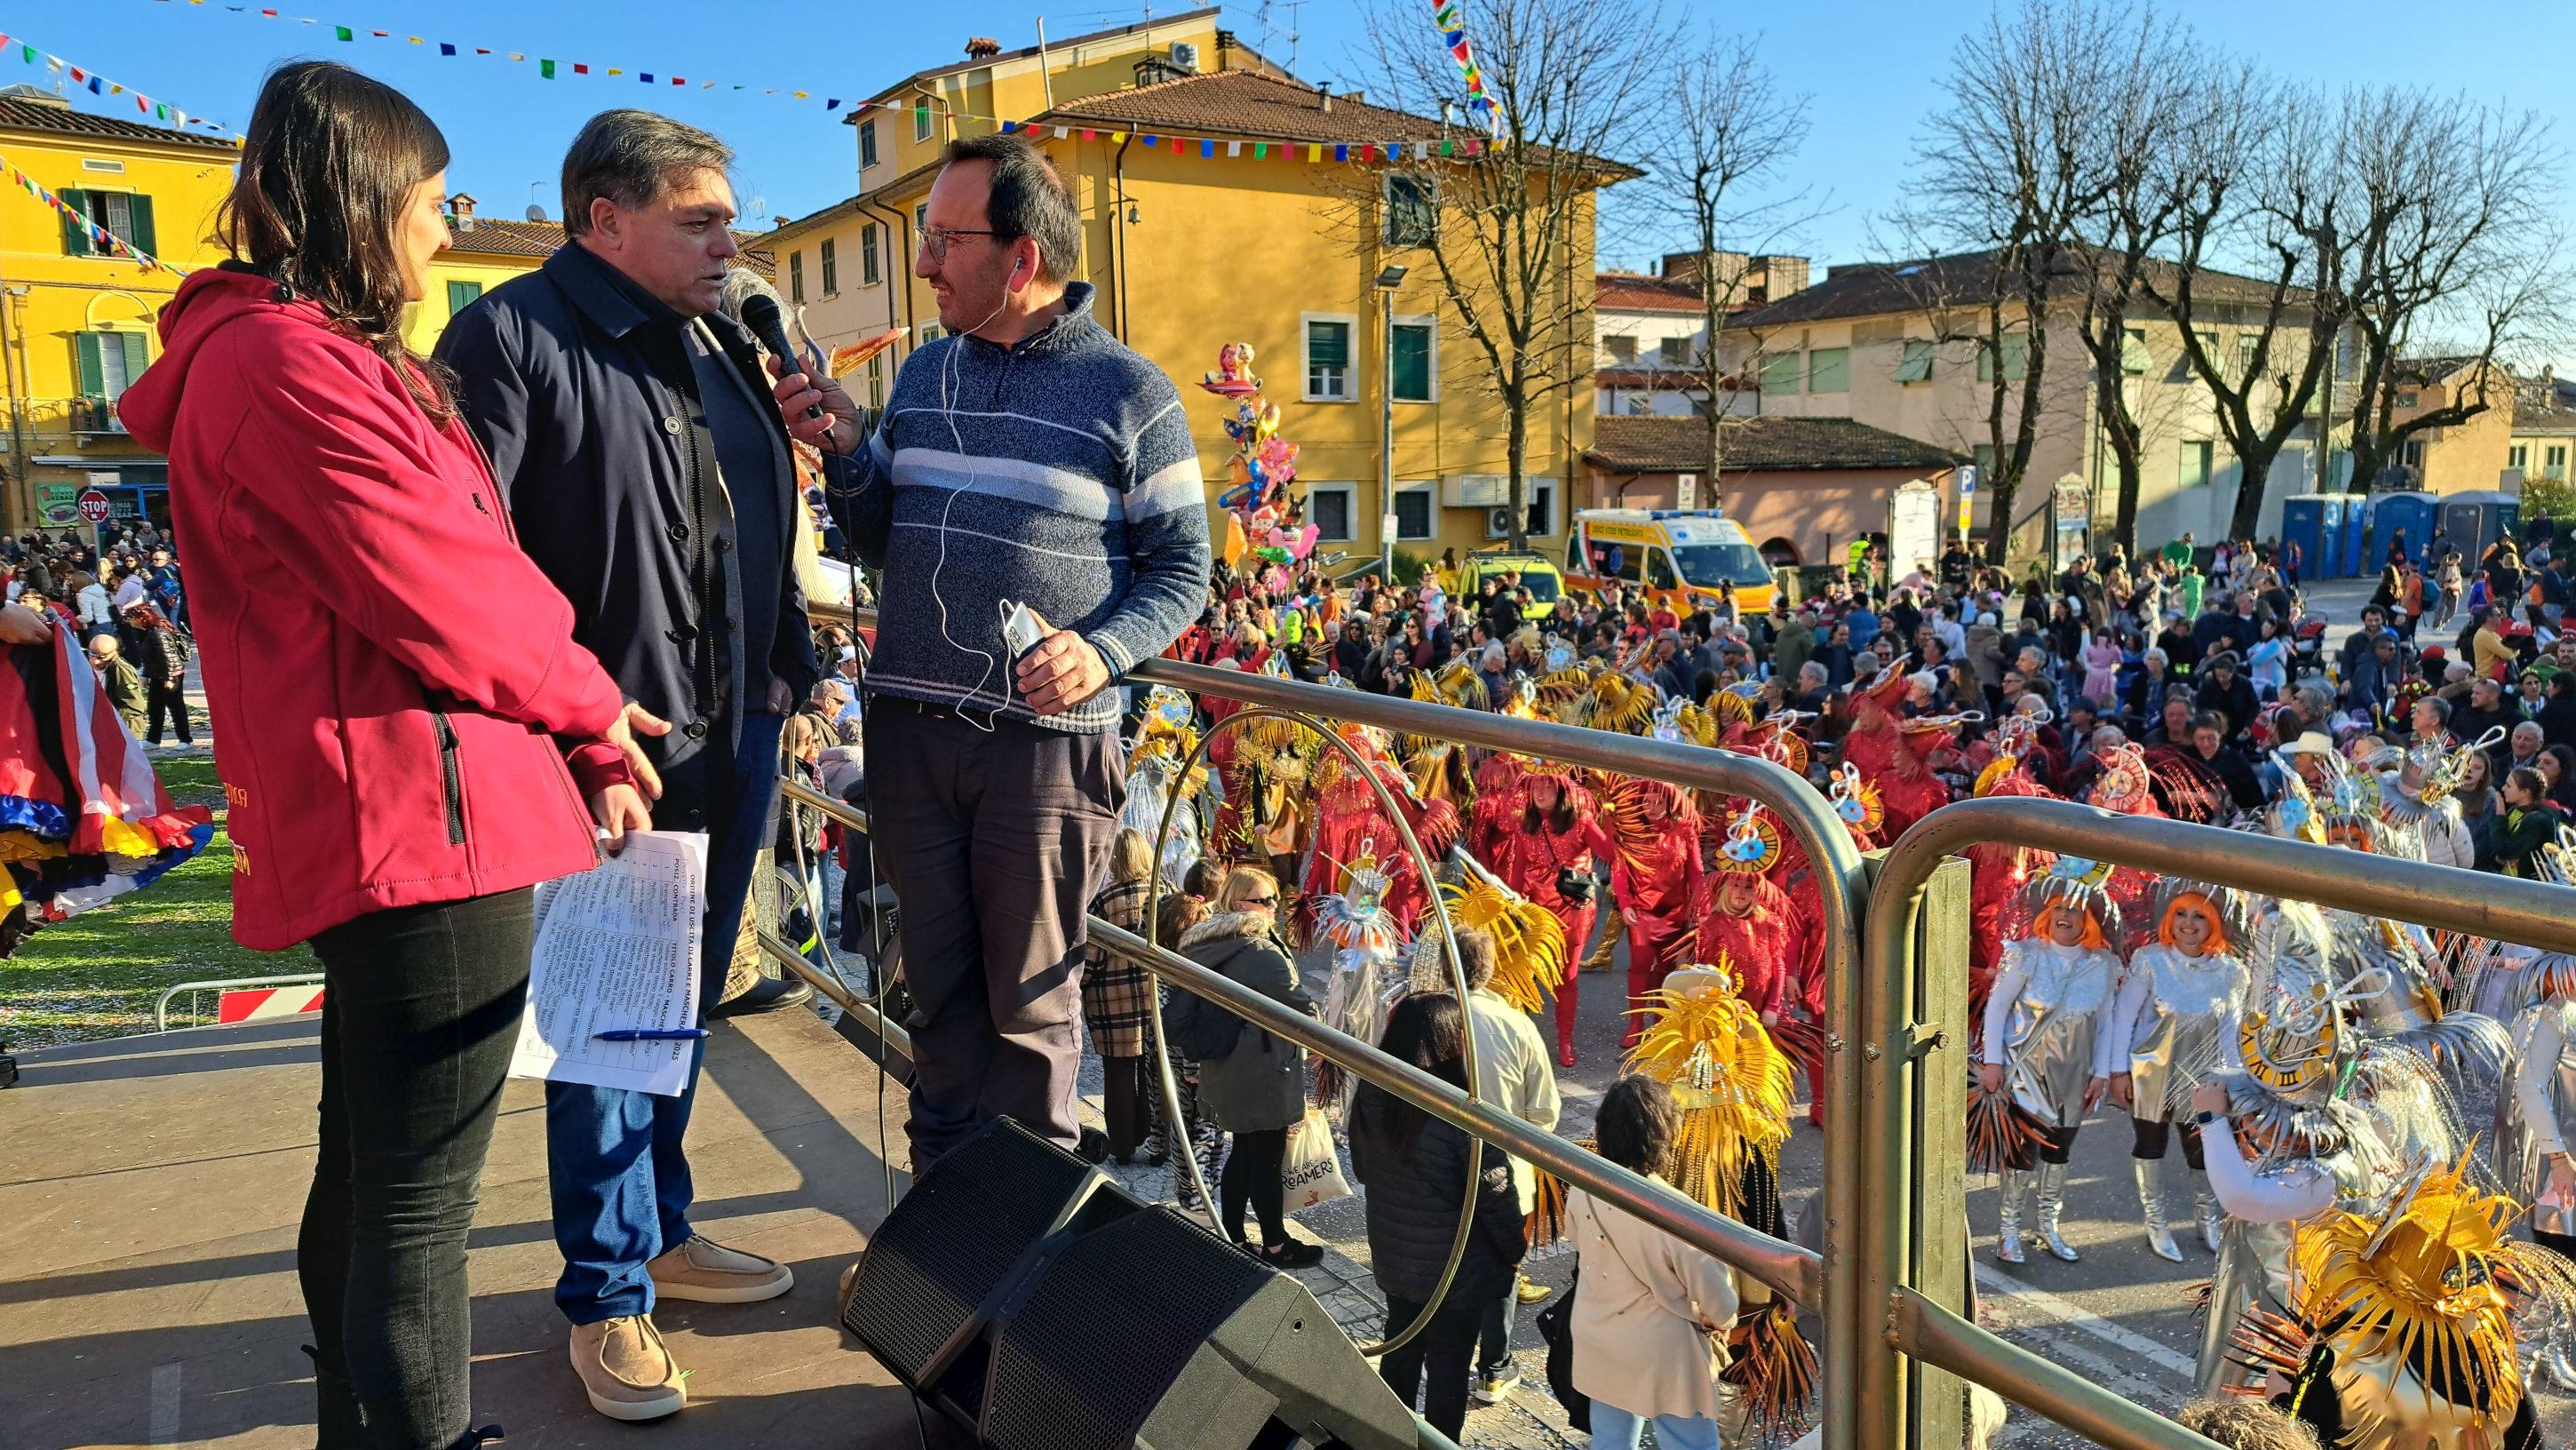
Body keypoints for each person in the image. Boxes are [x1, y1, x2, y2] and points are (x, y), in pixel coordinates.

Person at [117, 61, 655, 1450]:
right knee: (416, 1199)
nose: (443, 229)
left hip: (404, 803)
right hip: (426, 813)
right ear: (364, 207)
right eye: (433, 201)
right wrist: (592, 709)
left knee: (368, 1170)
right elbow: (448, 581)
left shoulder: (287, 355)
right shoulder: (289, 364)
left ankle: (362, 1434)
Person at [437, 108, 824, 1420]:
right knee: (612, 1024)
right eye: (701, 218)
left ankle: (661, 1230)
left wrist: (791, 665)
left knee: (686, 1005)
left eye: (731, 217)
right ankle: (606, 1296)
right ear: (606, 219)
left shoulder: (717, 338)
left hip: (737, 729)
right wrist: (573, 715)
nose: (734, 240)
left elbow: (750, 520)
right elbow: (470, 553)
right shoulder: (509, 337)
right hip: (609, 747)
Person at [796, 132, 1209, 1170]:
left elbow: (1183, 571)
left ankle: (1019, 1262)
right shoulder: (925, 370)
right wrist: (850, 453)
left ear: (1020, 260)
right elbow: (880, 532)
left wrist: (1102, 653)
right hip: (908, 734)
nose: (924, 263)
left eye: (942, 239)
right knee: (934, 998)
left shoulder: (1132, 393)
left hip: (1045, 746)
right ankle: (941, 1243)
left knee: (1030, 1019)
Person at [1351, 992, 1527, 1441]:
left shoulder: (1373, 1092)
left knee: (1401, 1353)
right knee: (1448, 1368)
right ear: (1450, 1043)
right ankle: (1439, 1442)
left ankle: (1386, 1436)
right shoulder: (1462, 1117)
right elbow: (1496, 1199)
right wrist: (1513, 1251)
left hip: (1396, 1256)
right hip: (1455, 1272)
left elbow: (1362, 1169)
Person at [1565, 1075, 1740, 1450]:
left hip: (1598, 1331)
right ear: (1665, 1133)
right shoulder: (1676, 1212)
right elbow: (1718, 1300)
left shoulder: (1584, 1184)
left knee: (1611, 1437)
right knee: (1688, 1441)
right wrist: (1721, 1320)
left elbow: (1578, 1241)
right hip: (1664, 1349)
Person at [1180, 864, 1325, 1265]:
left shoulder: (1210, 941)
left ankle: (1234, 1237)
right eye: (1264, 901)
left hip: (1228, 1065)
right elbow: (1298, 1006)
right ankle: (1276, 1246)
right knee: (1265, 1160)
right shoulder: (1256, 949)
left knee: (1244, 1152)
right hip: (1262, 1067)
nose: (1273, 908)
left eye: (1275, 899)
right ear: (1239, 902)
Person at [1980, 863, 2121, 1265]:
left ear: (2090, 920)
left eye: (2076, 909)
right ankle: (2008, 1231)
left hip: (2074, 1076)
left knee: (2060, 1152)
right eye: (2059, 906)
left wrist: (2100, 1073)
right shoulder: (2025, 955)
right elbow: (1998, 1008)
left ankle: (2047, 1225)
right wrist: (1993, 1063)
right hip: (2024, 1070)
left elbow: (2107, 1021)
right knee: (2022, 1151)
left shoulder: (2105, 966)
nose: (2066, 915)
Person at [2104, 883, 2246, 1262]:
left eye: (2199, 915)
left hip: (2204, 1079)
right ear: (2169, 918)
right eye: (2181, 913)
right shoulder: (2151, 960)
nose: (2189, 923)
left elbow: (2232, 1032)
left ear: (2214, 923)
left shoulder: (2232, 971)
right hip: (2150, 1074)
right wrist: (2119, 1072)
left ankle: (2208, 1220)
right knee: (2151, 1146)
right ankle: (2157, 1223)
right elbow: (2124, 1017)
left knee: (2203, 1150)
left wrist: (2235, 1081)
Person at [1451, 927, 1562, 1404]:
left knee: (1448, 1267)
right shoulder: (1516, 1023)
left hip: (1435, 1171)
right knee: (1500, 1271)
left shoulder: (1417, 1017)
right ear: (1491, 968)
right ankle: (1493, 1369)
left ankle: (1448, 1361)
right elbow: (1545, 1114)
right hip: (1505, 1173)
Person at [1080, 829, 1158, 1163]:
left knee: (1118, 1074)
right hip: (1154, 1001)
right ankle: (1156, 1143)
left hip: (1112, 1005)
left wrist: (1076, 985)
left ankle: (1124, 1148)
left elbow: (1090, 962)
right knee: (1154, 1072)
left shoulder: (1103, 901)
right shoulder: (1163, 894)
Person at [124, 602, 193, 746]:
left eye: (131, 618)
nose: (129, 621)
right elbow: (151, 658)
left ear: (141, 618)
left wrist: (169, 679)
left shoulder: (157, 633)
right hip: (158, 674)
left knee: (175, 706)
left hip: (171, 673)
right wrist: (146, 675)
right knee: (155, 707)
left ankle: (185, 739)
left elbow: (166, 656)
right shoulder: (146, 632)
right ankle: (153, 739)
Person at [86, 631, 147, 738]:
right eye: (92, 654)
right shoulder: (91, 668)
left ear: (114, 653)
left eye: (102, 657)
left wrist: (105, 718)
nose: (96, 661)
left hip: (126, 732)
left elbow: (135, 706)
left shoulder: (121, 670)